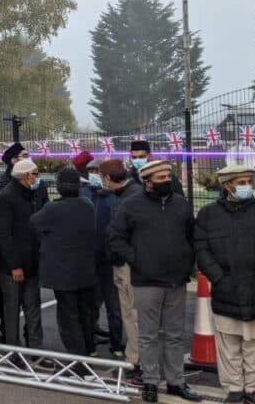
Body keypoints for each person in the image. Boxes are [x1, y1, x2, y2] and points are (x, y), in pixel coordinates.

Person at [109, 160, 201, 403]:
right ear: (147, 182)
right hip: (146, 281)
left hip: (176, 281)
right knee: (148, 335)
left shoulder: (181, 205)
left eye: (168, 177)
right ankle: (150, 381)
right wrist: (136, 259)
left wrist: (188, 262)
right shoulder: (131, 206)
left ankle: (175, 382)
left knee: (174, 334)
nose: (167, 181)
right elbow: (116, 237)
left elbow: (193, 237)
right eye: (161, 178)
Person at [196, 165, 255, 404]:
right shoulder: (208, 215)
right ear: (227, 185)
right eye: (240, 181)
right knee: (229, 344)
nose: (246, 186)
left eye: (247, 181)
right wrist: (219, 279)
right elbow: (202, 250)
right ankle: (234, 388)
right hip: (225, 289)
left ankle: (254, 389)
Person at [32, 168, 97, 360]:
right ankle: (88, 350)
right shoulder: (87, 205)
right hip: (86, 270)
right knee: (85, 312)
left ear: (59, 187)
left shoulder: (52, 209)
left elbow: (34, 223)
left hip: (62, 274)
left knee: (69, 316)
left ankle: (78, 359)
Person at [99, 158, 144, 385]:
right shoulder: (133, 193)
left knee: (132, 315)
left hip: (129, 266)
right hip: (129, 264)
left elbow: (119, 233)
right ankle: (136, 358)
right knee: (131, 315)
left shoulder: (128, 199)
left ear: (107, 178)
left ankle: (137, 363)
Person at [0, 158, 45, 349]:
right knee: (12, 310)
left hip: (32, 264)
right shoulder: (6, 197)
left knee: (33, 309)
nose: (38, 178)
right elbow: (3, 235)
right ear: (25, 176)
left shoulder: (33, 193)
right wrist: (14, 265)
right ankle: (12, 349)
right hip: (12, 268)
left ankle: (36, 350)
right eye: (35, 174)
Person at [81, 158, 124, 357]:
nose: (93, 174)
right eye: (90, 170)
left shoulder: (115, 197)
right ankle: (90, 344)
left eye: (97, 171)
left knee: (114, 305)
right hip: (89, 260)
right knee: (90, 304)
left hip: (109, 261)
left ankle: (117, 345)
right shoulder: (83, 195)